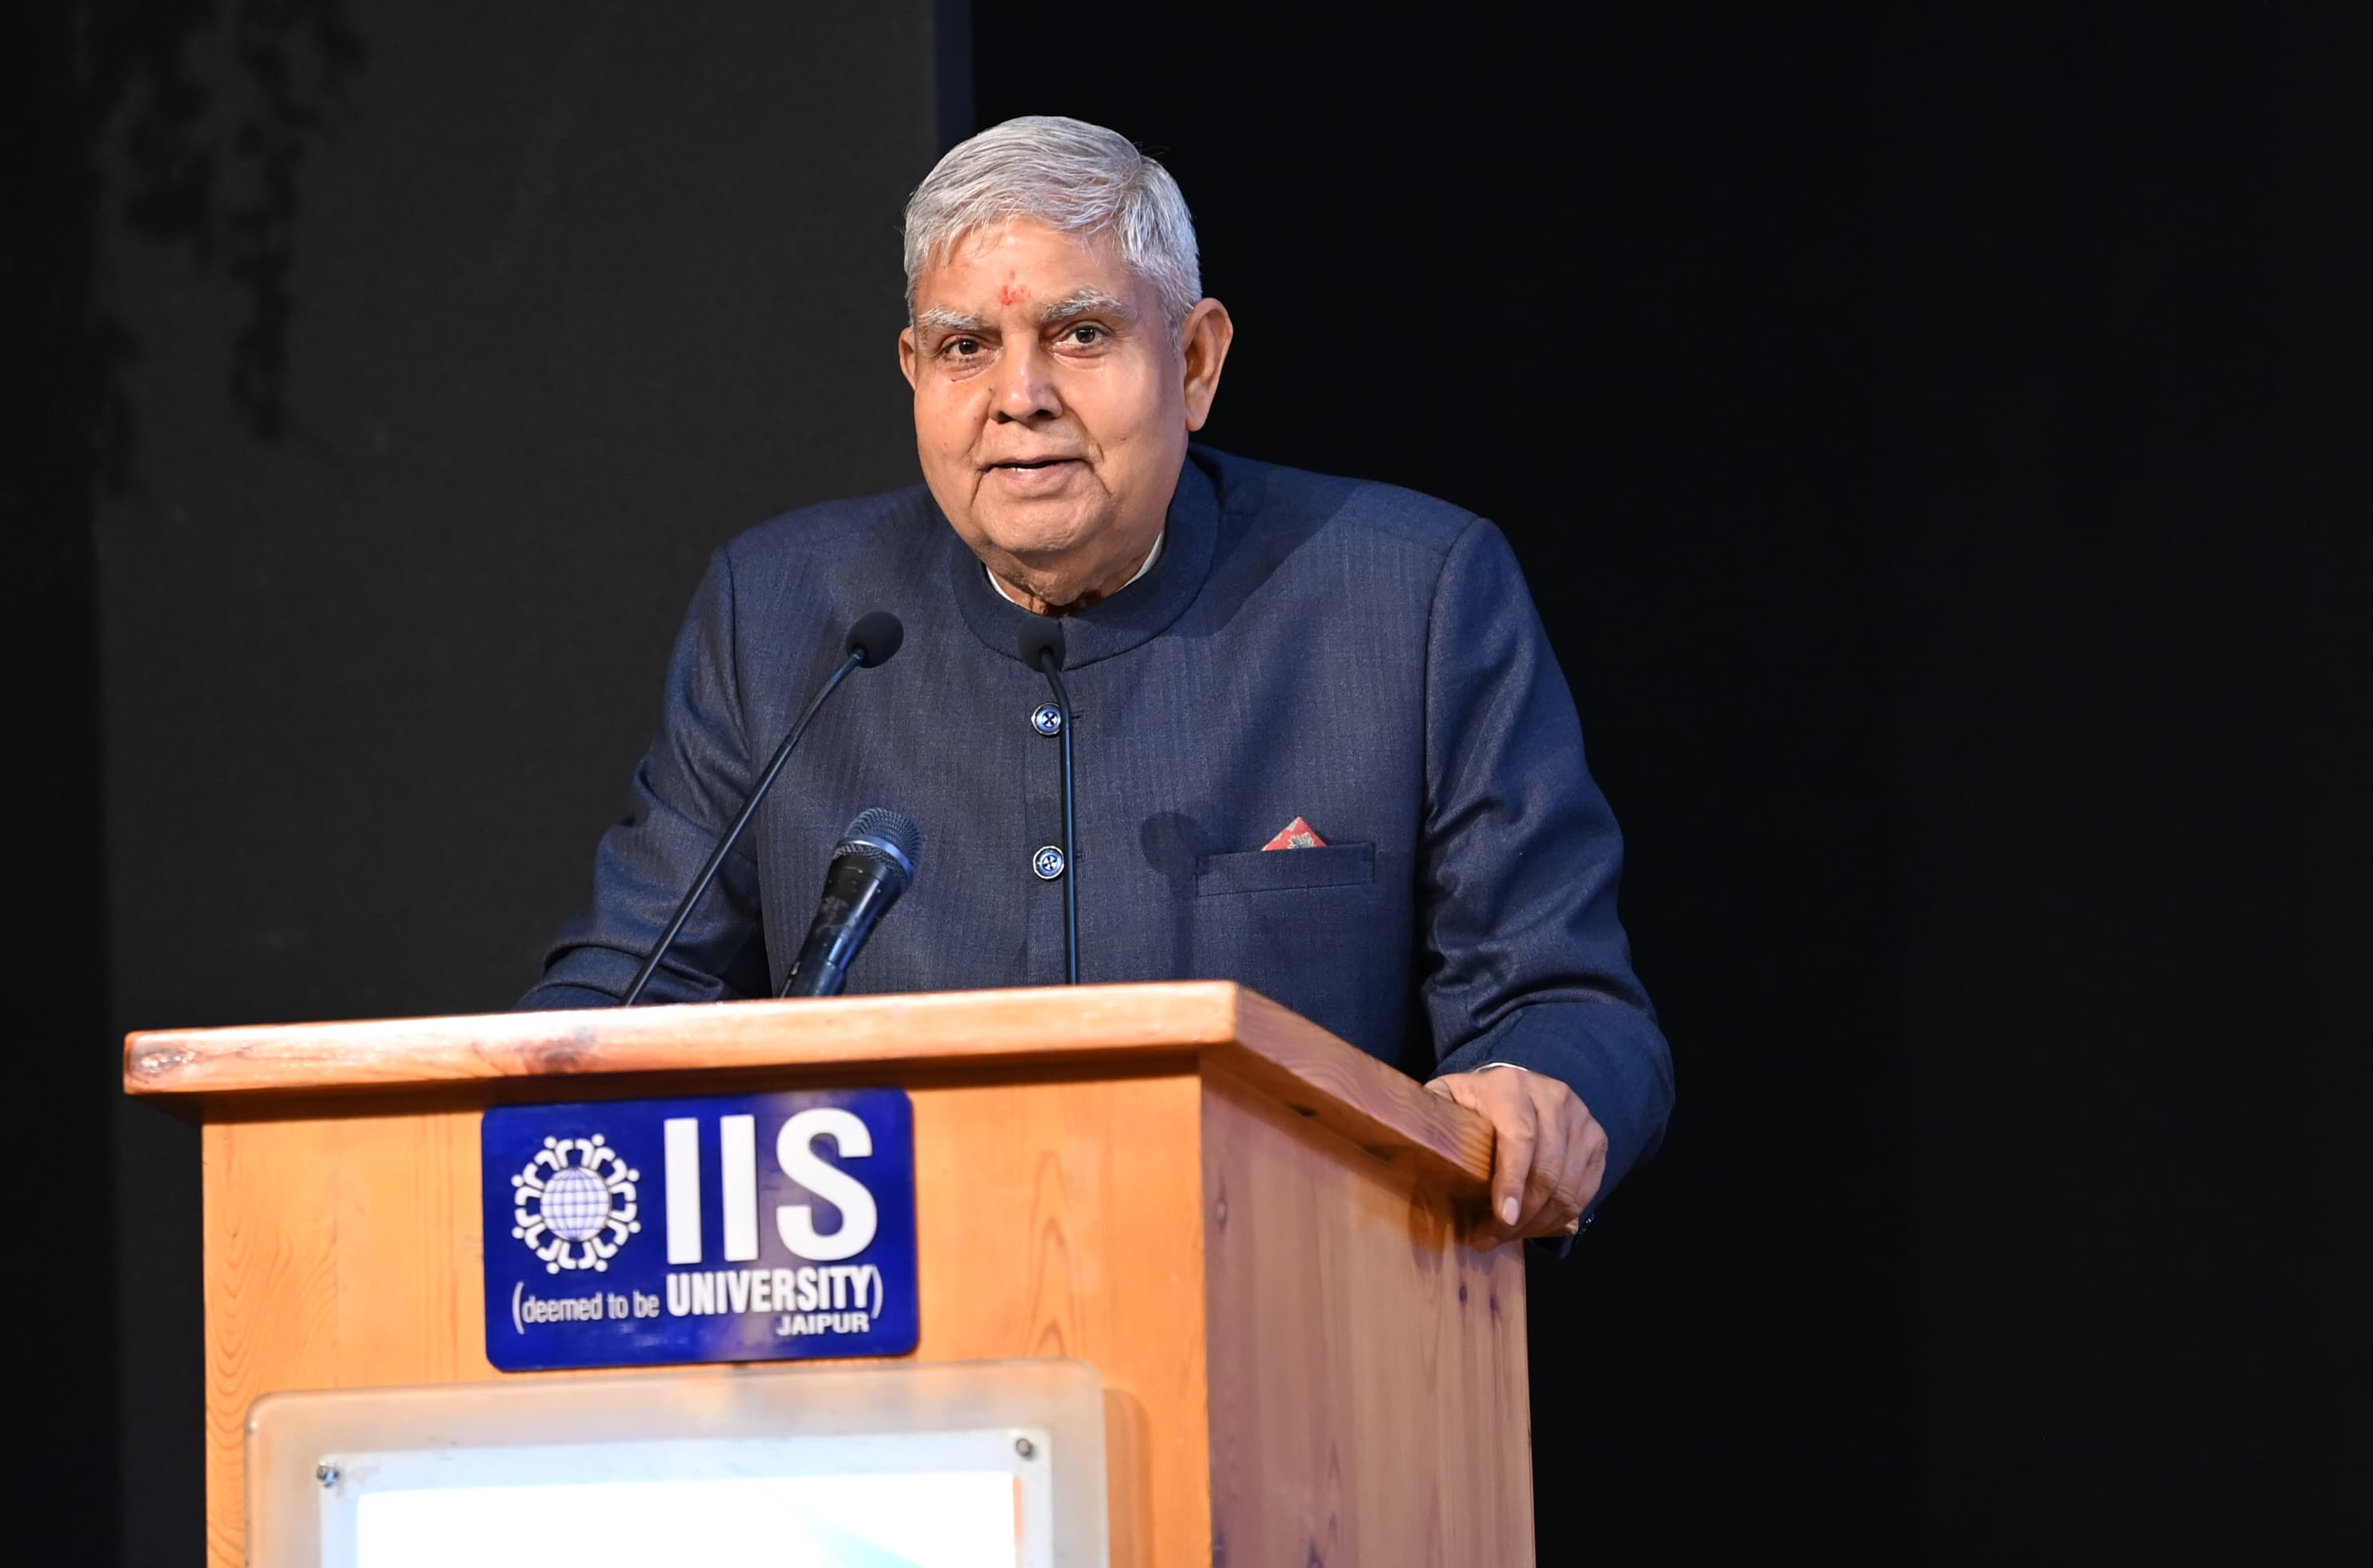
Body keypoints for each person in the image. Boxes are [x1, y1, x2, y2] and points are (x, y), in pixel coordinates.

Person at [522, 116, 1672, 1233]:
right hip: (875, 1353)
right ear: (915, 369)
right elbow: (621, 1007)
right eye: (967, 347)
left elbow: (1564, 1005)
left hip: (1292, 1333)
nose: (1019, 395)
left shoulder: (1404, 598)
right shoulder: (785, 617)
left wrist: (1533, 1088)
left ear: (1195, 360)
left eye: (1079, 335)